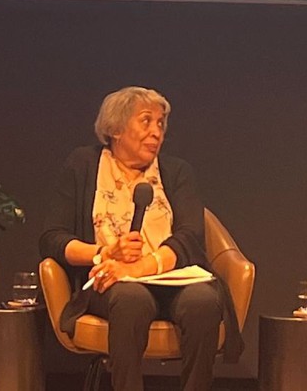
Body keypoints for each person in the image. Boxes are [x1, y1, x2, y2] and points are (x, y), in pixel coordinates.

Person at [39, 86, 242, 391]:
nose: (156, 132)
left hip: (174, 277)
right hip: (111, 281)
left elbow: (190, 236)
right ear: (116, 128)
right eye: (146, 121)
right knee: (129, 300)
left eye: (161, 124)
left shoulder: (177, 172)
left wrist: (140, 267)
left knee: (203, 302)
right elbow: (52, 238)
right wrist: (104, 253)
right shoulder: (82, 165)